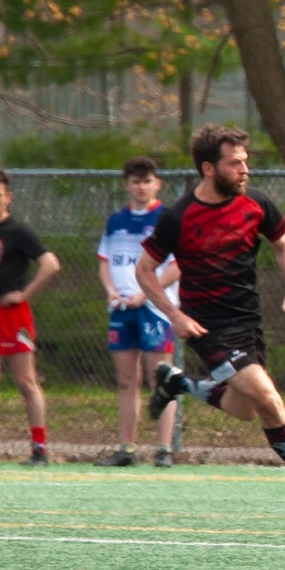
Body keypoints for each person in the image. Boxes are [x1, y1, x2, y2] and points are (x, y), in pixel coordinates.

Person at [139, 126, 285, 501]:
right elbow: (144, 272)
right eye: (234, 163)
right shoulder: (179, 216)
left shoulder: (255, 202)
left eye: (245, 162)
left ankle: (178, 383)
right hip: (207, 327)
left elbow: (283, 243)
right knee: (268, 398)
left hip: (247, 321)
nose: (244, 170)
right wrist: (174, 315)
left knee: (245, 409)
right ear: (208, 168)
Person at [96, 157, 180, 467]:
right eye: (135, 181)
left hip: (155, 310)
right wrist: (111, 291)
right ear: (127, 185)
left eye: (147, 181)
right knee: (126, 379)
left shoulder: (167, 218)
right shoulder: (116, 221)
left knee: (161, 379)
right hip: (121, 310)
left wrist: (145, 294)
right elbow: (105, 262)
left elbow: (177, 266)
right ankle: (126, 449)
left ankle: (164, 448)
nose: (141, 187)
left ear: (157, 184)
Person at [0, 169, 60, 466]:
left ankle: (39, 449)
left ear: (8, 197)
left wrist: (24, 294)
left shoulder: (18, 232)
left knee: (25, 381)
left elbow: (50, 264)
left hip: (11, 315)